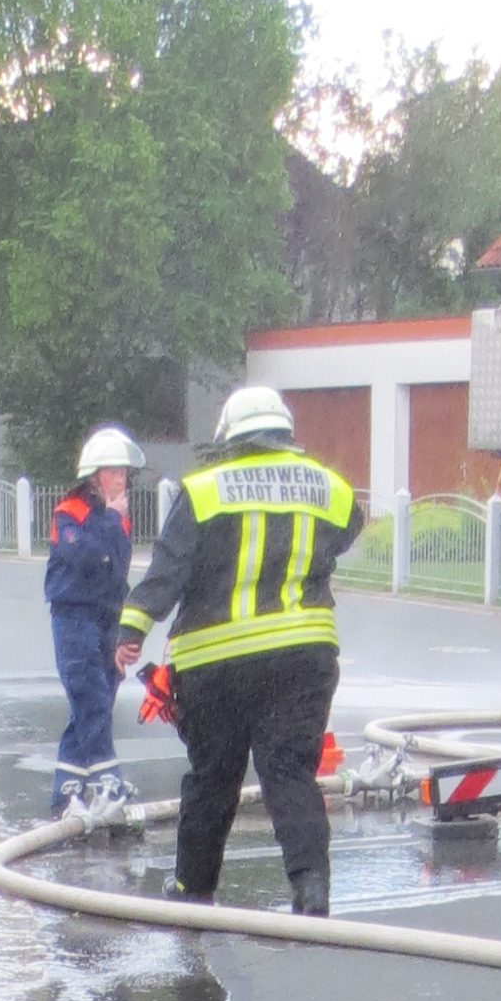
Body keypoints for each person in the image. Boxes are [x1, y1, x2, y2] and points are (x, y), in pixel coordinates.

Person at [127, 386, 359, 916]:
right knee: (289, 771)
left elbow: (170, 568)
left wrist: (131, 629)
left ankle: (193, 888)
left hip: (217, 665)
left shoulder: (205, 488)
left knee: (214, 776)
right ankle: (311, 887)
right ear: (285, 432)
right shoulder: (328, 485)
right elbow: (348, 529)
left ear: (230, 436)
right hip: (304, 657)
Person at [44, 428, 145, 817]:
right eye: (113, 472)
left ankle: (65, 791)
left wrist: (124, 632)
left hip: (107, 619)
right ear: (93, 476)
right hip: (74, 618)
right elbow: (85, 556)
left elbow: (117, 570)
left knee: (92, 706)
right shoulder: (69, 512)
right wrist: (109, 521)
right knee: (92, 701)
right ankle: (109, 781)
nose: (121, 479)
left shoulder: (117, 520)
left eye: (123, 472)